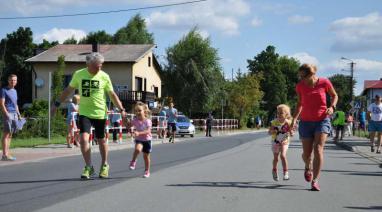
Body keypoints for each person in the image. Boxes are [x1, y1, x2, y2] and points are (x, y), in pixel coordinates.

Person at [52, 52, 126, 179]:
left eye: (101, 65)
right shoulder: (79, 74)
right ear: (88, 64)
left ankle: (104, 165)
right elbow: (68, 90)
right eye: (97, 66)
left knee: (102, 140)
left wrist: (121, 109)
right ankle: (89, 166)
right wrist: (56, 103)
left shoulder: (104, 76)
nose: (99, 68)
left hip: (100, 113)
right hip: (85, 112)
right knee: (84, 139)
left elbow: (112, 95)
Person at [291, 64, 338, 191]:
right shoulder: (300, 86)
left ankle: (315, 181)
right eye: (300, 76)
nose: (301, 78)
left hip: (322, 120)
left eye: (303, 76)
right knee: (306, 154)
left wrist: (332, 107)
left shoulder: (324, 82)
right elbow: (300, 104)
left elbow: (334, 95)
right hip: (305, 122)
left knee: (318, 149)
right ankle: (308, 166)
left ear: (312, 74)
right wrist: (294, 119)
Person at [268, 104, 292, 181]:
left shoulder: (288, 122)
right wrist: (273, 131)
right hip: (275, 142)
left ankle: (286, 173)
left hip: (285, 141)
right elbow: (269, 132)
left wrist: (291, 133)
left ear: (286, 114)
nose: (279, 115)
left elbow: (291, 132)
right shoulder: (274, 122)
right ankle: (274, 170)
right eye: (278, 113)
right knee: (276, 158)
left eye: (281, 113)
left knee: (283, 156)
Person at [0, 74, 21, 161]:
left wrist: (19, 114)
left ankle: (7, 153)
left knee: (11, 134)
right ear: (8, 80)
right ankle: (4, 155)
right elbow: (2, 103)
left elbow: (15, 104)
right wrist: (6, 114)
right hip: (8, 113)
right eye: (11, 80)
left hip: (15, 114)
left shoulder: (15, 91)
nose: (13, 82)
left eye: (15, 80)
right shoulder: (4, 90)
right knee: (6, 133)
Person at [129, 102, 152, 178]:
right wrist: (124, 118)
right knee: (138, 149)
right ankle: (133, 161)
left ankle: (147, 170)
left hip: (147, 140)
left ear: (144, 111)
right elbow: (128, 125)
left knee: (146, 157)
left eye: (139, 110)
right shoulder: (135, 120)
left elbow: (148, 131)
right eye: (136, 111)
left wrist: (139, 133)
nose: (138, 112)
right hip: (139, 139)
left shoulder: (147, 121)